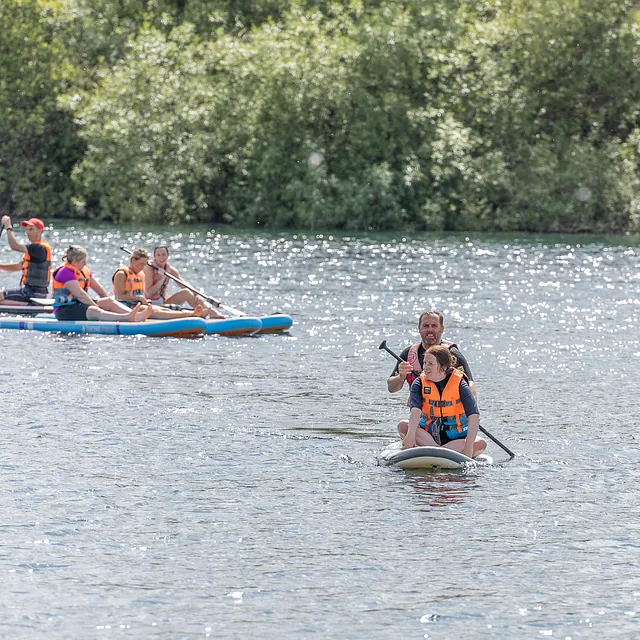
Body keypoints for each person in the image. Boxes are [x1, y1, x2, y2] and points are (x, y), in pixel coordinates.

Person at [401, 345, 486, 458]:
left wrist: (469, 447)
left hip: (456, 438)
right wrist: (411, 435)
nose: (425, 367)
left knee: (481, 443)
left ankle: (434, 451)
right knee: (402, 426)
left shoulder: (460, 383)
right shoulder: (419, 383)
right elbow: (415, 411)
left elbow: (474, 416)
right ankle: (439, 451)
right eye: (425, 363)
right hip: (429, 435)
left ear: (443, 367)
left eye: (430, 364)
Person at [52, 245, 153, 322]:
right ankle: (126, 317)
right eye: (83, 262)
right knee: (93, 310)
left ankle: (137, 316)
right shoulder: (64, 272)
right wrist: (97, 307)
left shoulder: (83, 271)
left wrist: (107, 303)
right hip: (64, 310)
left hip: (80, 305)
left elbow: (99, 290)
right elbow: (80, 295)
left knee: (108, 301)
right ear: (75, 262)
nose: (85, 264)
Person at [112, 248, 206, 320]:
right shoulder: (121, 274)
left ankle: (194, 313)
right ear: (133, 261)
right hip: (125, 306)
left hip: (137, 304)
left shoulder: (140, 274)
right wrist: (139, 298)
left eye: (144, 264)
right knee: (154, 310)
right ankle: (190, 315)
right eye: (140, 264)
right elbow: (120, 296)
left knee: (165, 309)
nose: (142, 267)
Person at [143, 245, 224, 318]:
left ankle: (211, 312)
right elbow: (148, 293)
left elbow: (184, 285)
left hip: (163, 302)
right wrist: (161, 279)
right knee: (186, 293)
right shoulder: (149, 269)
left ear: (168, 255)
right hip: (151, 304)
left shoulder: (170, 270)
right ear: (154, 257)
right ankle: (199, 314)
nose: (161, 258)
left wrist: (198, 295)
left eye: (163, 254)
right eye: (158, 255)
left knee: (186, 292)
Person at [0, 216, 52, 306]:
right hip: (32, 292)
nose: (28, 232)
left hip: (32, 293)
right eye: (27, 230)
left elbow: (14, 246)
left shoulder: (38, 248)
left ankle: (28, 306)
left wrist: (8, 227)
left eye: (31, 229)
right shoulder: (33, 249)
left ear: (40, 231)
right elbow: (19, 267)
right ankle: (27, 305)